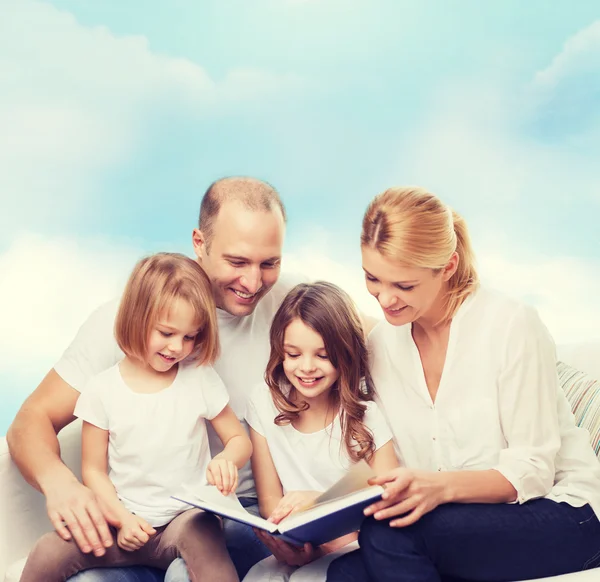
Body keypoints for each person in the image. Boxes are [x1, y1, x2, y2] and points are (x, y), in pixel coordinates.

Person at [7, 177, 300, 581]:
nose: (253, 283)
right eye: (236, 262)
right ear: (200, 242)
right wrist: (62, 485)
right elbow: (31, 420)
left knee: (191, 563)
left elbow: (356, 336)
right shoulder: (127, 322)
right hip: (130, 514)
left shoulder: (292, 308)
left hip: (231, 511)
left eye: (269, 263)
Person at [327, 186, 600, 582]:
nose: (385, 299)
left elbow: (533, 471)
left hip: (566, 513)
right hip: (465, 522)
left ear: (449, 266)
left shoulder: (511, 325)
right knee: (346, 574)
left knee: (388, 538)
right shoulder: (382, 346)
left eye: (404, 286)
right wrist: (317, 517)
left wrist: (438, 488)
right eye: (373, 278)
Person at [20, 253, 251, 582]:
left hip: (185, 520)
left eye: (189, 337)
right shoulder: (102, 390)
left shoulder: (199, 377)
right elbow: (94, 472)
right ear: (137, 318)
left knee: (205, 537)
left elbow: (238, 440)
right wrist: (121, 519)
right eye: (167, 333)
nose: (177, 348)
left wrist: (228, 459)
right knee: (48, 552)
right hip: (124, 522)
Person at [244, 282, 398, 582]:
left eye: (323, 355)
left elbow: (388, 505)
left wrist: (318, 506)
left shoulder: (368, 417)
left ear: (345, 354)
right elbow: (270, 501)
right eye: (293, 354)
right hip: (296, 544)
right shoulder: (263, 401)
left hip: (355, 548)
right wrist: (290, 540)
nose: (306, 368)